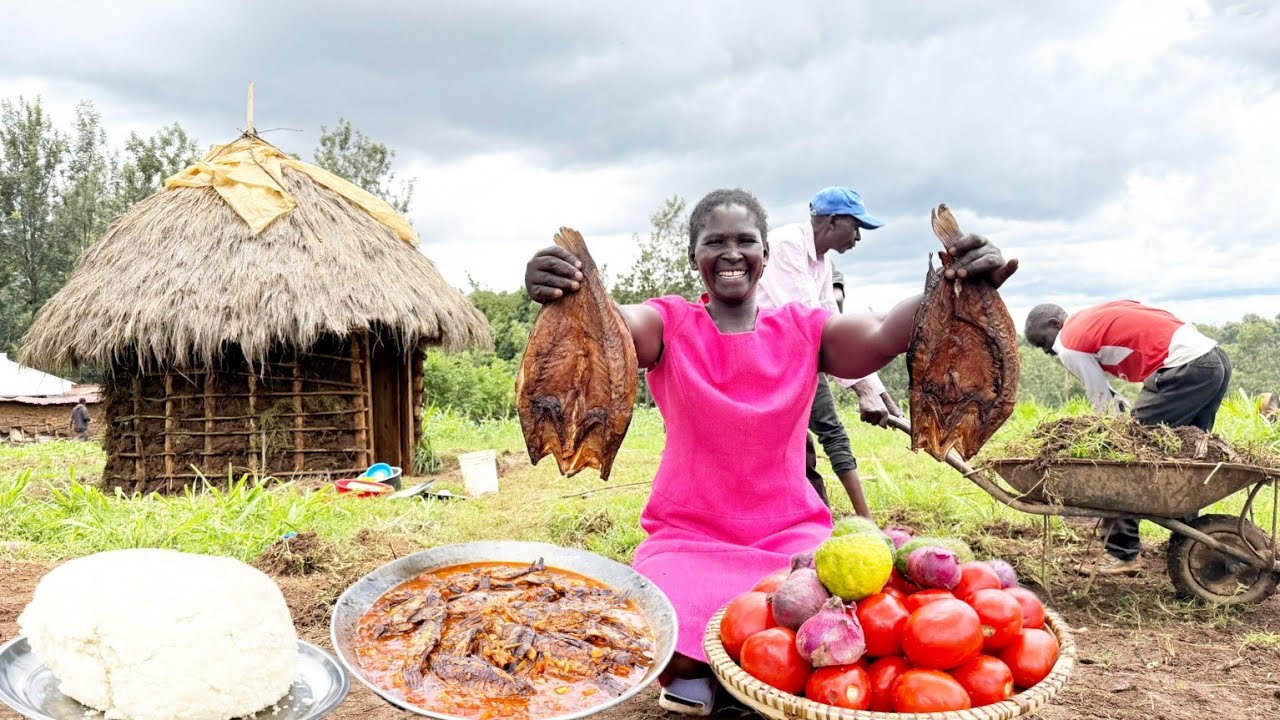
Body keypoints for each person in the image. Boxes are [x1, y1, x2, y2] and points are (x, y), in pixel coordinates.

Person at [525, 188, 1015, 715]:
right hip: (686, 538)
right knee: (669, 610)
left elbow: (881, 332)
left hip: (792, 536)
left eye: (745, 241)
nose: (732, 253)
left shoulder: (806, 329)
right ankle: (727, 672)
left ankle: (734, 674)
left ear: (765, 254)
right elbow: (614, 326)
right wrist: (571, 289)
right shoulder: (668, 323)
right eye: (716, 242)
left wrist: (955, 284)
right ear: (695, 257)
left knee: (806, 607)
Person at [1024, 300, 1232, 575]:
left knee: (1124, 455)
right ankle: (1190, 545)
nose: (1049, 351)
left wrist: (1115, 437)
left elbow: (1101, 400)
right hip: (1214, 361)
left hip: (1186, 368)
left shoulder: (1068, 342)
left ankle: (1122, 553)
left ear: (1055, 325)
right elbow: (1112, 397)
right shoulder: (1090, 320)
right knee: (1188, 455)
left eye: (1043, 343)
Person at [756, 186, 904, 515]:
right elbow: (813, 324)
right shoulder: (787, 245)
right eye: (857, 227)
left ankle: (831, 516)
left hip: (798, 354)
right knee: (809, 438)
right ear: (833, 222)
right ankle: (856, 520)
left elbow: (832, 325)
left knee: (818, 438)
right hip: (765, 357)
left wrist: (878, 391)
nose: (859, 238)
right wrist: (863, 391)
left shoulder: (822, 262)